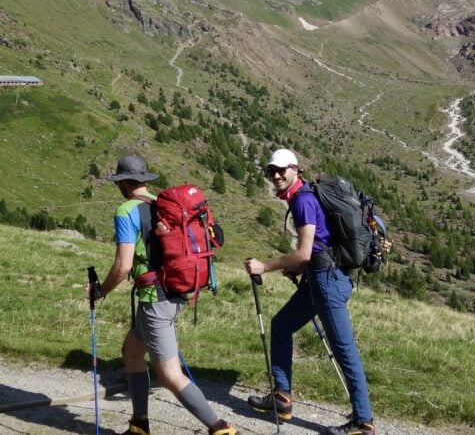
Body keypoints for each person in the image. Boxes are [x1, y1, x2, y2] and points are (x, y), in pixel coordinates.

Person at [88, 154, 242, 435]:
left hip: (155, 300)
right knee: (132, 353)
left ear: (122, 183)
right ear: (144, 180)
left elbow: (123, 265)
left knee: (170, 374)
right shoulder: (161, 204)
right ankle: (139, 425)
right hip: (173, 293)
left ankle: (221, 429)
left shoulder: (126, 210)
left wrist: (100, 291)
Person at [244, 148, 374, 435]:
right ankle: (281, 398)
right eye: (272, 171)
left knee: (344, 350)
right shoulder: (305, 197)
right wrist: (300, 269)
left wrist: (264, 266)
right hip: (318, 279)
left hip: (327, 283)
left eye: (281, 170)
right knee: (281, 325)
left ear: (295, 169)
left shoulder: (303, 200)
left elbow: (303, 252)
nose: (276, 175)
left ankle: (363, 422)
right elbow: (315, 249)